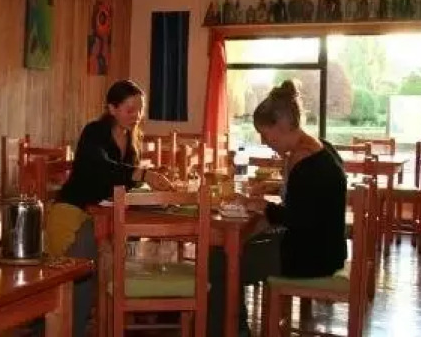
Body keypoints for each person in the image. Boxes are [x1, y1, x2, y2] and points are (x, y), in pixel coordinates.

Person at [207, 80, 347, 337]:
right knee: (234, 249)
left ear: (281, 125)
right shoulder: (320, 147)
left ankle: (232, 332)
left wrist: (262, 206)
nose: (264, 141)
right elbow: (307, 208)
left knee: (219, 261)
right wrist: (266, 203)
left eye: (265, 133)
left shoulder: (302, 159)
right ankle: (235, 328)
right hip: (326, 248)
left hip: (310, 256)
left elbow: (297, 219)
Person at [44, 79, 174, 337]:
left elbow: (123, 183)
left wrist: (150, 183)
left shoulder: (131, 139)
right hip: (74, 211)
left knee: (129, 248)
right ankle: (70, 330)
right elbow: (100, 168)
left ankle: (129, 314)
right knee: (82, 267)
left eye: (140, 110)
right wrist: (142, 174)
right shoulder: (94, 132)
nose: (136, 116)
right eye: (130, 109)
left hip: (104, 215)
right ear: (112, 109)